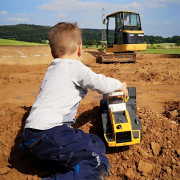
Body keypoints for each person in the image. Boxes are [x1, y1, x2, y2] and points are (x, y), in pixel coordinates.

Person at [20, 22, 128, 180]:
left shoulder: (53, 68)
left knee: (95, 142)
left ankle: (69, 169)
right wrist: (120, 85)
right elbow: (99, 82)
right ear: (79, 48)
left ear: (52, 53)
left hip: (35, 136)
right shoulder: (75, 67)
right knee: (97, 164)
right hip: (52, 132)